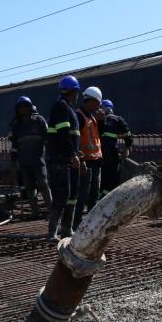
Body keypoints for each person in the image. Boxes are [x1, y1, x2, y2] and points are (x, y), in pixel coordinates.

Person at [46, 75, 82, 241]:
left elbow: (71, 136)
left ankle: (66, 230)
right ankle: (52, 232)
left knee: (72, 195)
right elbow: (62, 135)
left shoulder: (68, 108)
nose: (77, 95)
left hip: (68, 158)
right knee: (62, 195)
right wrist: (72, 154)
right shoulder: (61, 107)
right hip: (59, 159)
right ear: (72, 91)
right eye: (76, 91)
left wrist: (76, 152)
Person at [8, 96, 50, 216]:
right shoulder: (17, 126)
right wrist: (13, 161)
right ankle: (34, 212)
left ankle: (51, 210)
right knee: (30, 187)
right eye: (21, 107)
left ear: (30, 107)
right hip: (24, 162)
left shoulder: (39, 120)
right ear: (18, 109)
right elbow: (15, 146)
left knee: (44, 184)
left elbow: (47, 139)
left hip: (39, 161)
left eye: (26, 106)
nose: (23, 109)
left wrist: (51, 154)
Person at [73, 87, 104, 225]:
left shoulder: (92, 116)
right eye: (98, 102)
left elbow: (97, 137)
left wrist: (101, 121)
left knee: (94, 194)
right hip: (85, 162)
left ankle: (91, 222)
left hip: (96, 160)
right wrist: (81, 158)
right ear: (91, 100)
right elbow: (76, 139)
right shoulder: (79, 115)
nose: (99, 106)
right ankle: (77, 222)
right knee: (83, 194)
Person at [98, 99, 132, 197]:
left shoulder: (96, 120)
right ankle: (109, 198)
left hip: (99, 154)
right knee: (113, 177)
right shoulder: (117, 119)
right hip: (112, 154)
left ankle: (100, 198)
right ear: (111, 109)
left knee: (103, 178)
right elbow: (127, 134)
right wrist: (128, 146)